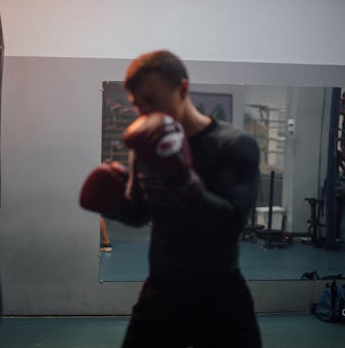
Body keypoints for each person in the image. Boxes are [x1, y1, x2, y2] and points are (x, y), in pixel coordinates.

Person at [80, 50, 262, 347]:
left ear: (183, 89)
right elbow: (140, 214)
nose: (144, 114)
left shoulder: (233, 145)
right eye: (138, 105)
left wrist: (179, 176)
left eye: (152, 100)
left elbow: (229, 224)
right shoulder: (145, 147)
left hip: (220, 297)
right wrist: (111, 204)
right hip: (161, 292)